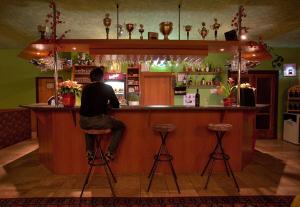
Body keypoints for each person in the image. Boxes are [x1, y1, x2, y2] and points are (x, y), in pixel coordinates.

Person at [79, 66, 125, 162]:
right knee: (121, 126)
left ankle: (89, 152)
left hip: (83, 122)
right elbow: (116, 105)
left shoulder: (85, 88)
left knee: (89, 128)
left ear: (91, 78)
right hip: (99, 121)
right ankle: (110, 153)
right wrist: (107, 105)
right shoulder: (107, 87)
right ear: (102, 77)